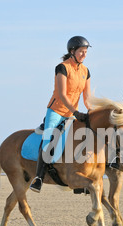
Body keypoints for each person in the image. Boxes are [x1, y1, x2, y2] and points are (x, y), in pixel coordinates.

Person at [30, 36, 92, 193]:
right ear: (72, 52)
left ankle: (76, 179)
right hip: (57, 111)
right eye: (81, 52)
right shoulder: (62, 67)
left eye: (85, 52)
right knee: (48, 138)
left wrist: (91, 111)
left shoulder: (85, 71)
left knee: (79, 139)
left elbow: (87, 98)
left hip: (72, 113)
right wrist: (75, 112)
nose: (84, 55)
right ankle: (38, 178)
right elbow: (63, 95)